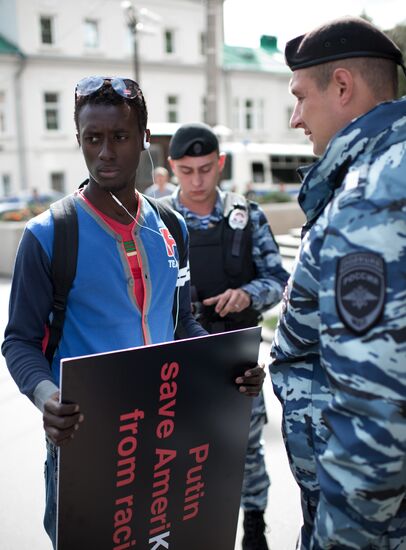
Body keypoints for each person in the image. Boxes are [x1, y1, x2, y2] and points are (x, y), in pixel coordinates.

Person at [1, 77, 265, 548]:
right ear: (77, 140)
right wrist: (47, 398)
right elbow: (19, 341)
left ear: (144, 139)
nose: (105, 152)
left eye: (120, 137)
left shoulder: (170, 226)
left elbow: (182, 322)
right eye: (92, 139)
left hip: (165, 435)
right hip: (86, 441)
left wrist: (232, 370)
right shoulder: (48, 235)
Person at [270, 17, 406, 550]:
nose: (295, 118)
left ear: (343, 87)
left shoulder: (372, 197)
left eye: (301, 98)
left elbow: (375, 412)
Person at [166, 122, 289, 550]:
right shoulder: (157, 218)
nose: (197, 181)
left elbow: (278, 278)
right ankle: (188, 531)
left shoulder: (246, 216)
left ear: (219, 163)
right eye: (186, 171)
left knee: (245, 450)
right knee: (178, 454)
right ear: (171, 168)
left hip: (237, 358)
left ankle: (253, 525)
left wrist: (247, 293)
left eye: (205, 168)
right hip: (179, 363)